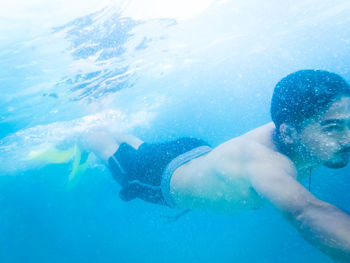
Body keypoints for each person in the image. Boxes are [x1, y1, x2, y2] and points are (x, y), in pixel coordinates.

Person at [84, 70, 350, 262]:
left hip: (194, 152)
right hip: (157, 177)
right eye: (333, 127)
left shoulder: (304, 133)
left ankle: (114, 123)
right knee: (109, 152)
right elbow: (306, 213)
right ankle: (86, 128)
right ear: (289, 133)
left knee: (144, 149)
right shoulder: (264, 160)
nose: (348, 137)